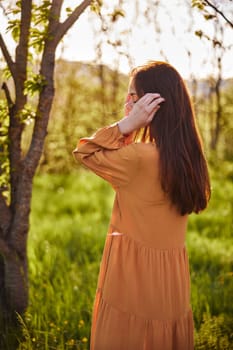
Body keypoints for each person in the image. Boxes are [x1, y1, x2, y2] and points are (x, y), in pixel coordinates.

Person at [73, 61, 211, 350]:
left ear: (152, 103)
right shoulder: (190, 156)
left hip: (132, 280)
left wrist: (125, 125)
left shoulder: (138, 158)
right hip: (170, 284)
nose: (127, 102)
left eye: (133, 96)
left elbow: (84, 152)